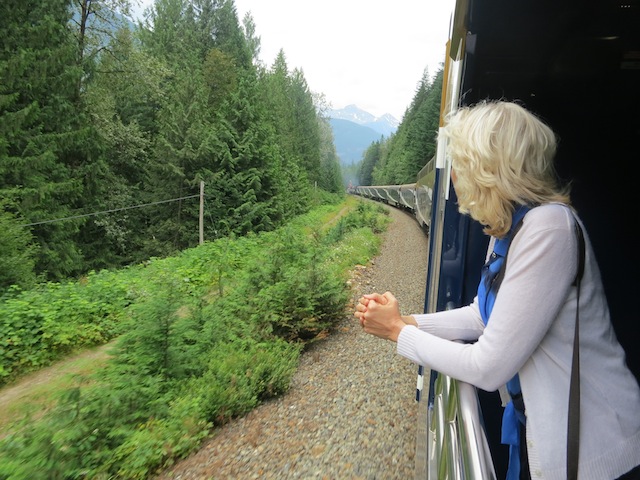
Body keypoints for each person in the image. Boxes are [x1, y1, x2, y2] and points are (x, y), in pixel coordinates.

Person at [354, 100, 640, 480]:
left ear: (490, 166)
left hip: (598, 453)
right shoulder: (509, 226)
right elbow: (480, 313)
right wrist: (409, 320)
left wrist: (396, 332)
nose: (454, 175)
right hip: (547, 435)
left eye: (461, 162)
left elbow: (487, 367)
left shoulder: (548, 230)